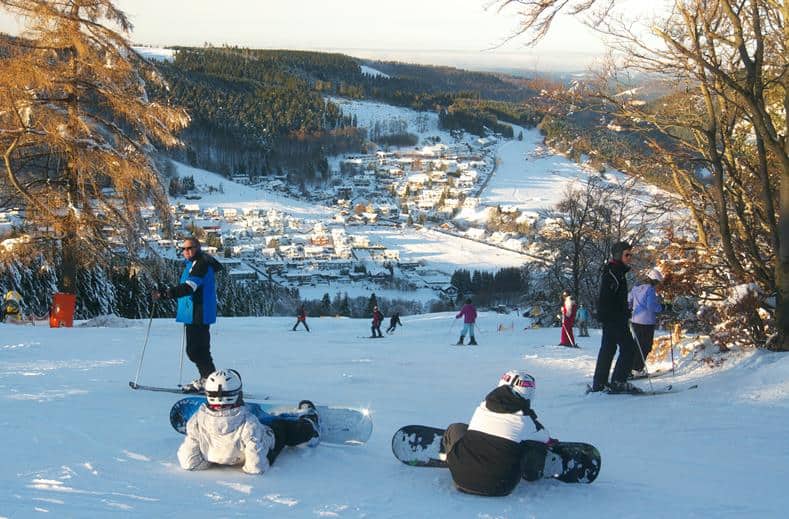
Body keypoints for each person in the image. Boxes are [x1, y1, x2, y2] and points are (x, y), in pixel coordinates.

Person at [177, 369, 320, 474]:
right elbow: (256, 466)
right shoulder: (248, 423)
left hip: (224, 438)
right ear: (237, 394)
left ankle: (272, 417)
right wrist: (251, 464)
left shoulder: (197, 420)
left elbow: (189, 460)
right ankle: (310, 421)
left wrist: (214, 457)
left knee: (257, 418)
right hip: (267, 440)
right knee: (283, 428)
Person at [442, 369, 554, 496]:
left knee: (457, 428)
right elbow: (546, 439)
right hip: (501, 486)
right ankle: (532, 473)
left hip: (460, 479)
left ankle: (451, 456)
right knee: (533, 445)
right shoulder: (526, 421)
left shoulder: (482, 407)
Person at [154, 237, 222, 391]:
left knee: (196, 351)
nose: (186, 251)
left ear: (197, 248)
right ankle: (209, 380)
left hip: (199, 312)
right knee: (198, 350)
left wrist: (166, 294)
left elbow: (190, 287)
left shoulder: (201, 264)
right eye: (183, 249)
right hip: (193, 312)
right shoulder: (193, 263)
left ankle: (210, 381)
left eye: (189, 248)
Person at [590, 241, 641, 394]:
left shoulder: (616, 271)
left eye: (630, 254)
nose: (629, 257)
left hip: (611, 317)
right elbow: (607, 298)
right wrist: (622, 312)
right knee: (629, 348)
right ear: (618, 255)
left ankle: (599, 383)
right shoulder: (614, 273)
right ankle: (618, 381)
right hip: (614, 318)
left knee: (608, 348)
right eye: (627, 254)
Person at [628, 268, 664, 377]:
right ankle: (637, 369)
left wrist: (630, 310)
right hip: (647, 322)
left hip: (635, 320)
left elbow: (628, 301)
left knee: (637, 344)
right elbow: (651, 306)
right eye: (657, 282)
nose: (657, 285)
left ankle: (630, 368)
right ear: (654, 280)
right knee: (646, 346)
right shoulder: (650, 289)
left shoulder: (636, 288)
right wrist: (662, 307)